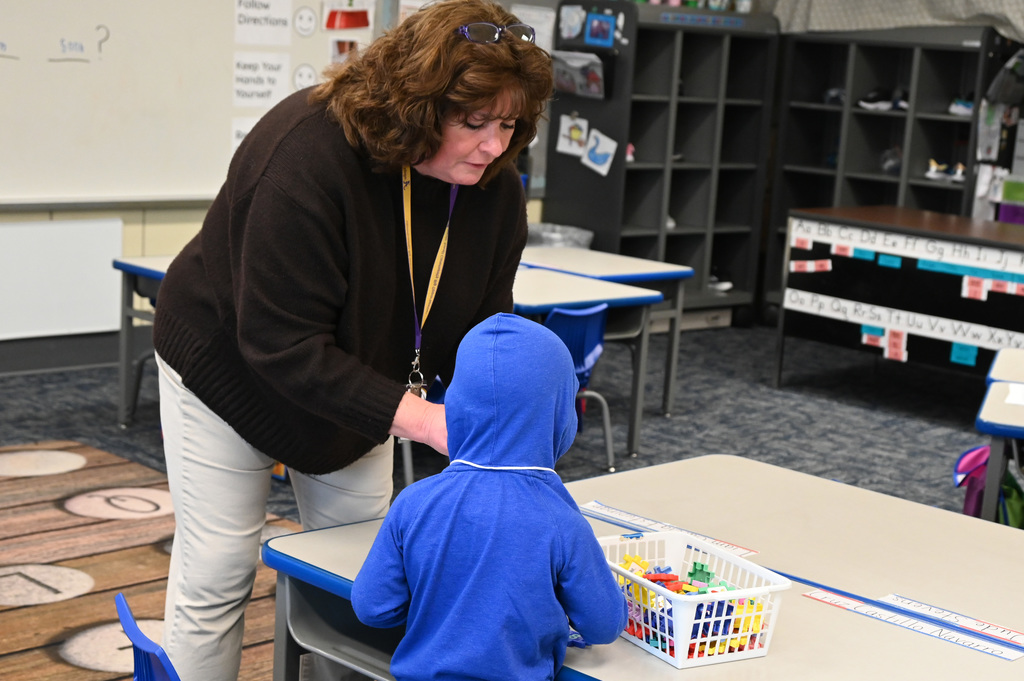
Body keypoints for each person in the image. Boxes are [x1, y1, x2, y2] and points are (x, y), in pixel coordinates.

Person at [149, 0, 553, 677]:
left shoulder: (495, 186)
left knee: (362, 581)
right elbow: (281, 345)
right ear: (418, 108)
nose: (494, 146)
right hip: (227, 372)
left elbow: (483, 332)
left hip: (357, 387)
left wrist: (510, 415)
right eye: (475, 122)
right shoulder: (303, 155)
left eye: (509, 124)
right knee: (217, 570)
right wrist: (424, 418)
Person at [351, 313, 628, 680]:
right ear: (559, 416)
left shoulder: (413, 502)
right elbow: (604, 625)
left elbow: (373, 608)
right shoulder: (561, 520)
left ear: (455, 404)